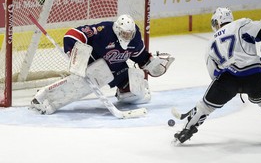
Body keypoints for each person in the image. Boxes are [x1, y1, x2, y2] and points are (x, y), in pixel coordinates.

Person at [174, 7, 261, 143]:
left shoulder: (210, 43)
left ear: (217, 22)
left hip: (228, 80)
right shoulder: (241, 24)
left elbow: (214, 74)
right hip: (254, 75)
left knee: (205, 106)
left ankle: (186, 130)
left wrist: (223, 88)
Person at [31, 14, 174, 115]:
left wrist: (151, 63)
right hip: (96, 65)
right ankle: (43, 97)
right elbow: (71, 35)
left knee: (138, 94)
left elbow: (140, 57)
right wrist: (74, 51)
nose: (127, 37)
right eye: (124, 34)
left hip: (118, 69)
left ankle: (122, 91)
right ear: (118, 30)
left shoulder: (135, 38)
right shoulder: (103, 31)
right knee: (85, 82)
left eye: (129, 34)